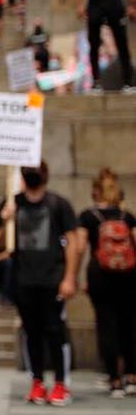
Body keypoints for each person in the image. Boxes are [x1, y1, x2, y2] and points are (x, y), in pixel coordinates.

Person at [1, 161, 81, 406]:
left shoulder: (59, 204)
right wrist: (5, 219)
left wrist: (69, 277)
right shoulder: (14, 203)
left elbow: (73, 243)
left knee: (55, 330)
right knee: (31, 332)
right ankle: (37, 381)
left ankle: (60, 382)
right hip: (24, 280)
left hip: (52, 279)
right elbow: (0, 241)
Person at [78, 168, 136, 397]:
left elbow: (81, 247)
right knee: (130, 323)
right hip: (130, 275)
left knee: (106, 324)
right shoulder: (127, 216)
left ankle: (114, 379)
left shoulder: (88, 216)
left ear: (95, 191)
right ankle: (132, 376)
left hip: (100, 276)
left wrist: (75, 275)